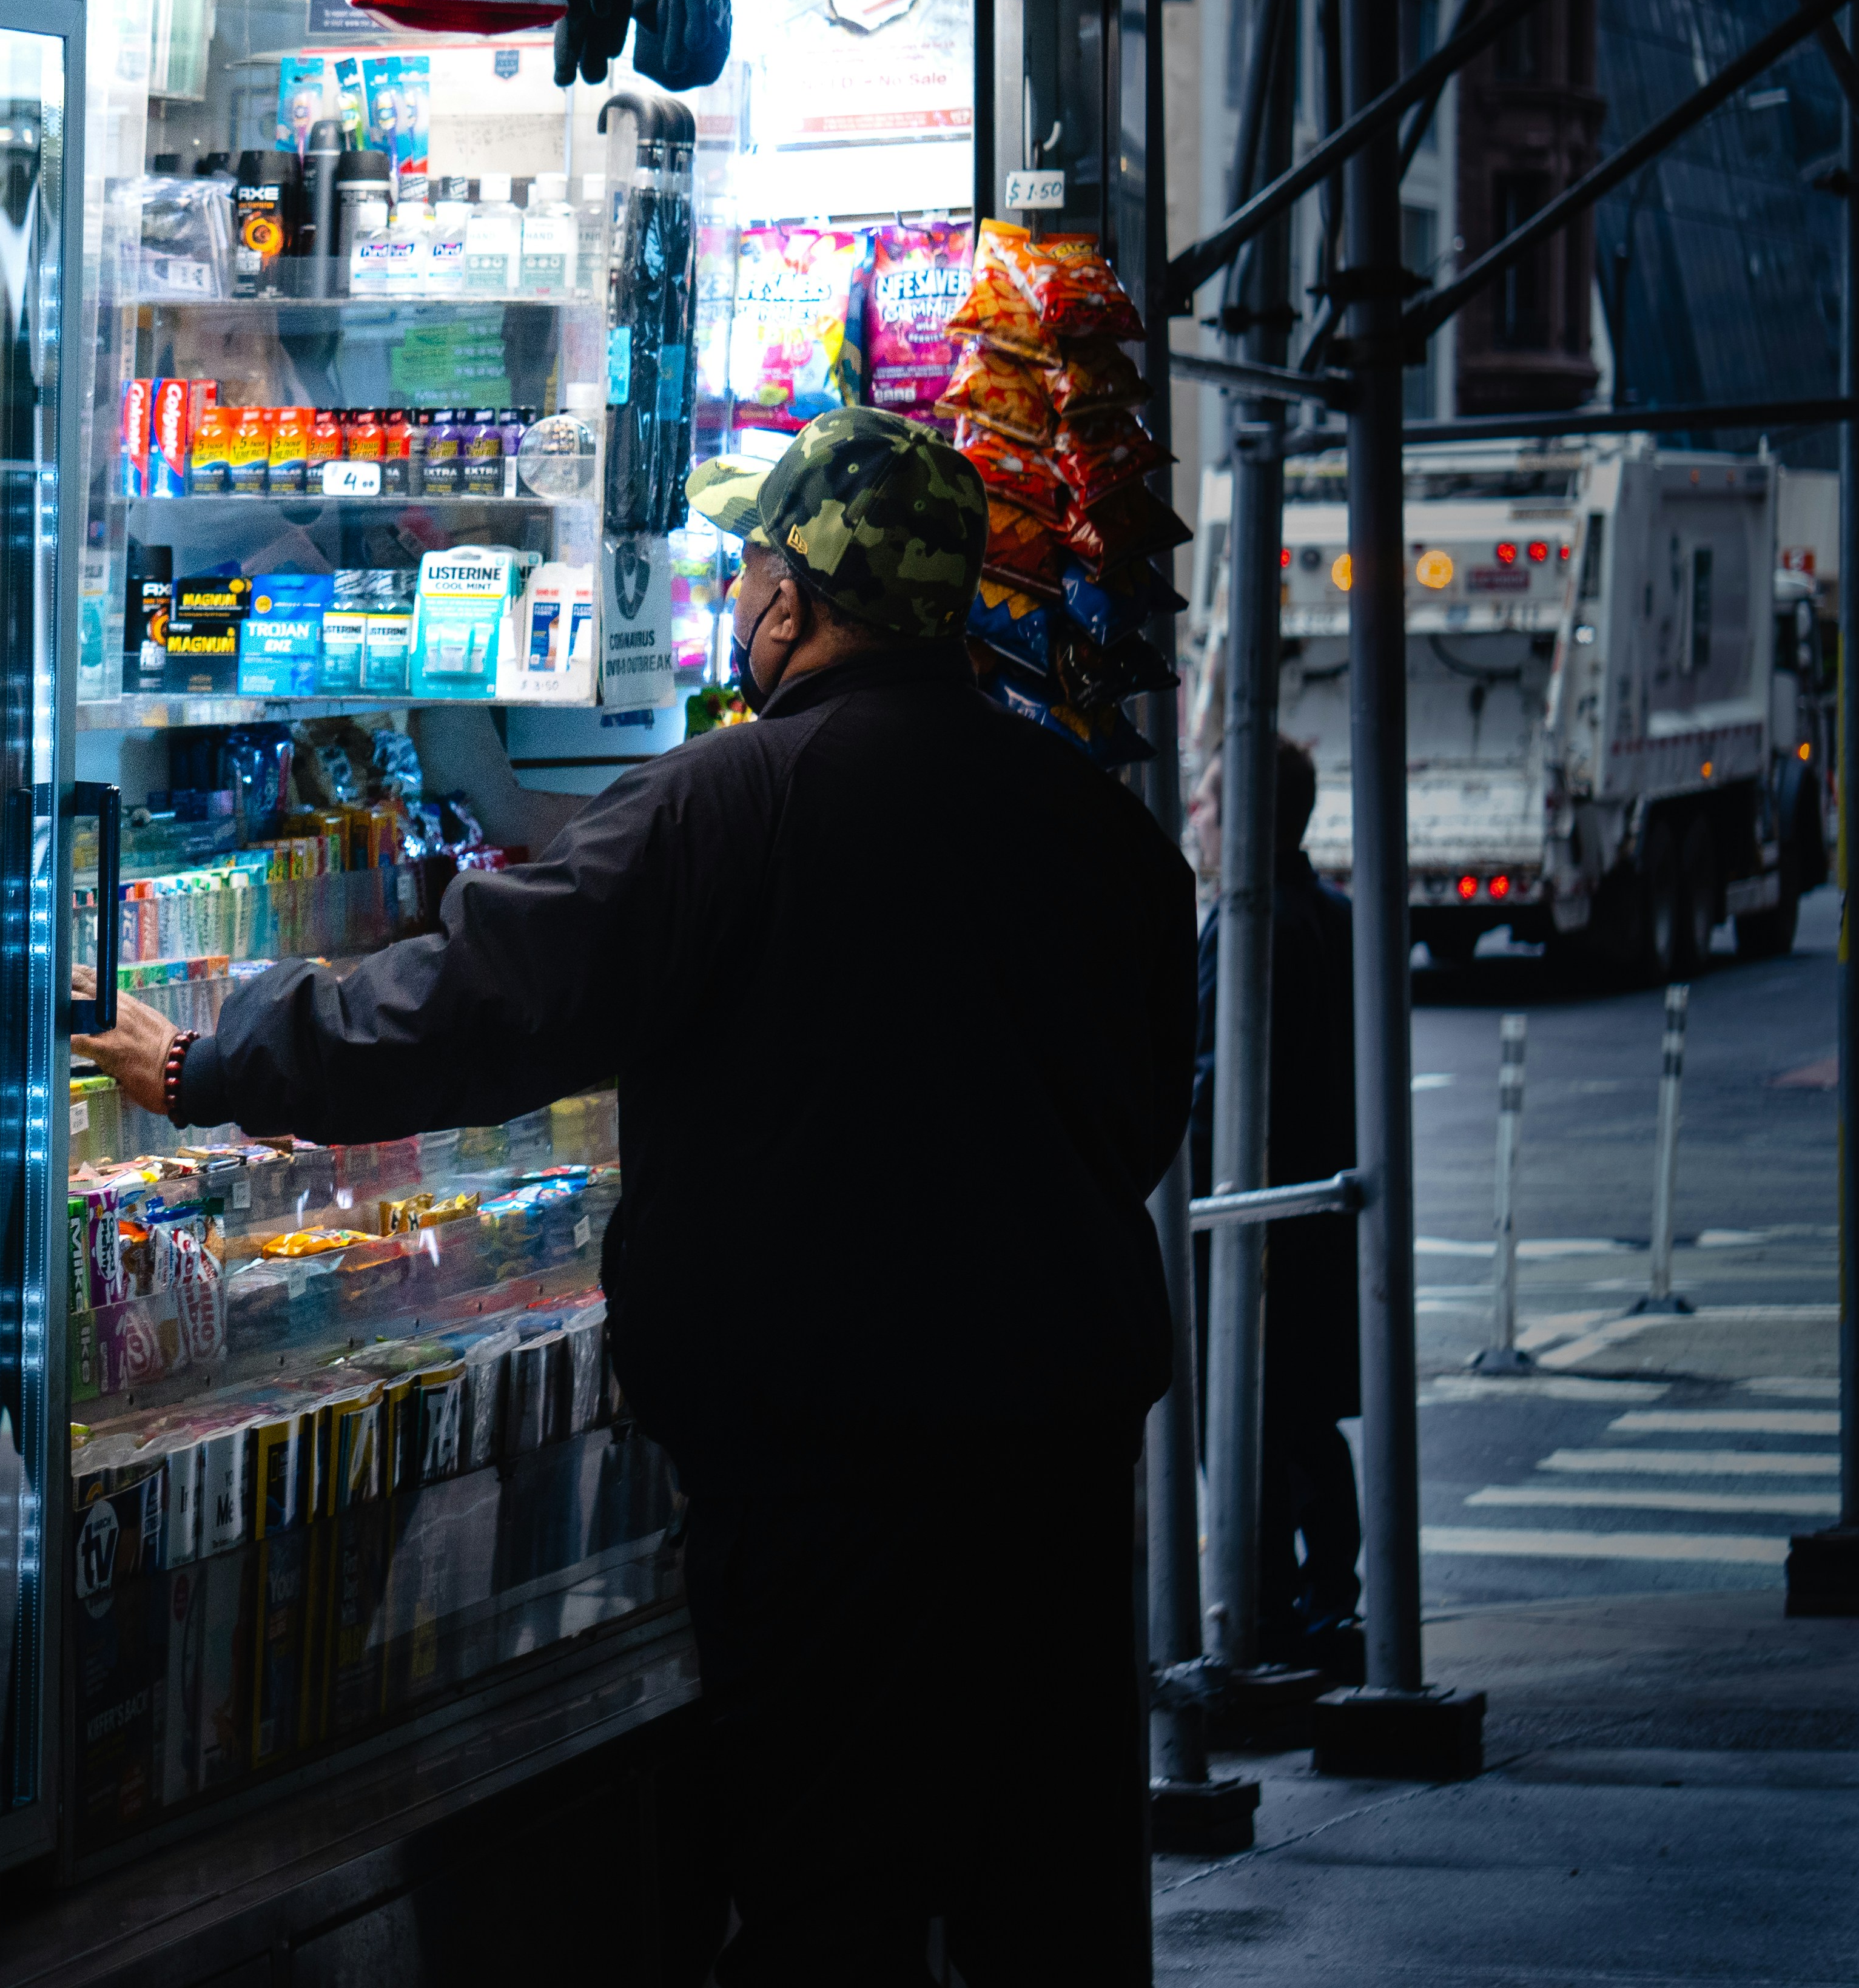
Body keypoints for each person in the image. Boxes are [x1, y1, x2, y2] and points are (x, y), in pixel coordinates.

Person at [76, 408, 1198, 1984]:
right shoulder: (1098, 830)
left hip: (825, 1481)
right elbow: (1143, 1110)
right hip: (1053, 1465)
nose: (737, 602)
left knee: (833, 1896)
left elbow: (477, 1009)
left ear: (795, 602)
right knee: (1052, 1893)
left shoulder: (725, 808)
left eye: (746, 570)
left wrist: (213, 1064)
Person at [1189, 735, 1365, 1673]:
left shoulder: (1247, 924)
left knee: (1248, 1422)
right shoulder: (1330, 914)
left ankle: (1264, 1614)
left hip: (1254, 1225)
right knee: (1302, 1419)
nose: (1197, 820)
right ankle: (1330, 1595)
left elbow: (1212, 1086)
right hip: (1315, 1214)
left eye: (1210, 804)